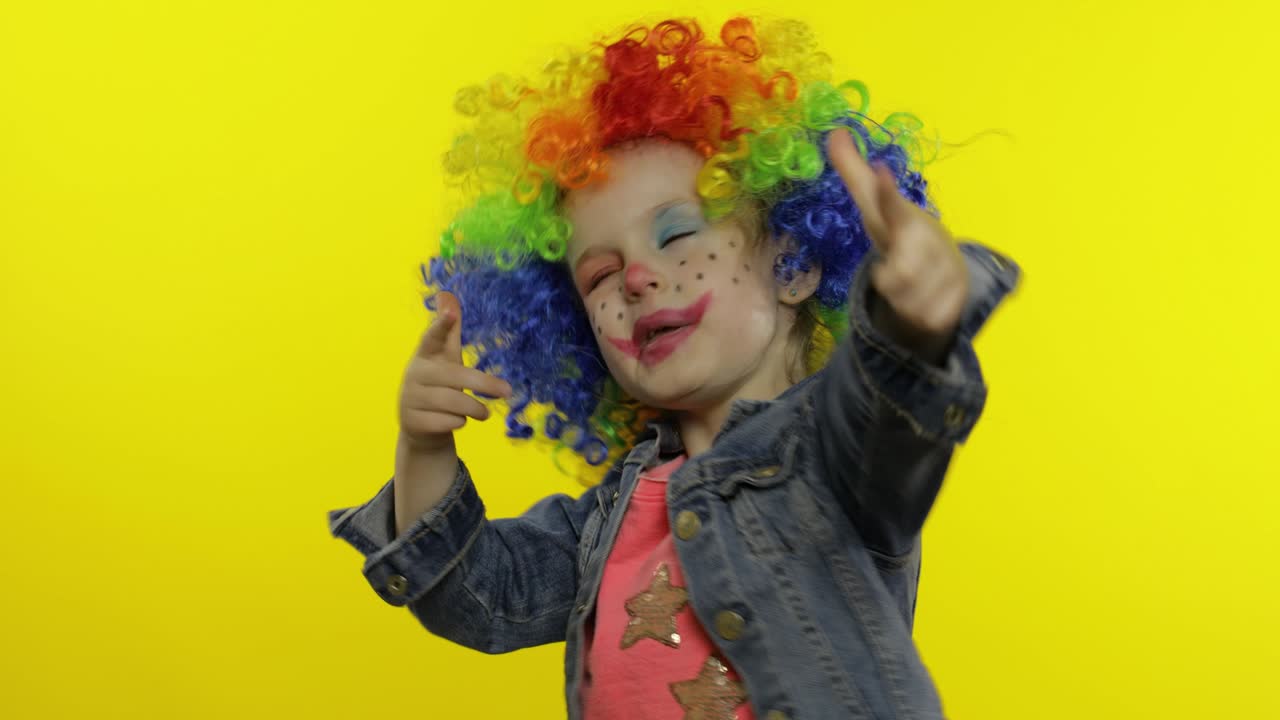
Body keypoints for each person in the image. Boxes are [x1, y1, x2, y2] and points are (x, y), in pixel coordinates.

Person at [328, 15, 1021, 720]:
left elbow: (892, 407)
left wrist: (912, 320)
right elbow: (478, 596)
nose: (636, 278)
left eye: (678, 233)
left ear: (793, 264)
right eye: (600, 275)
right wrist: (424, 446)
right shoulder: (608, 520)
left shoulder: (835, 460)